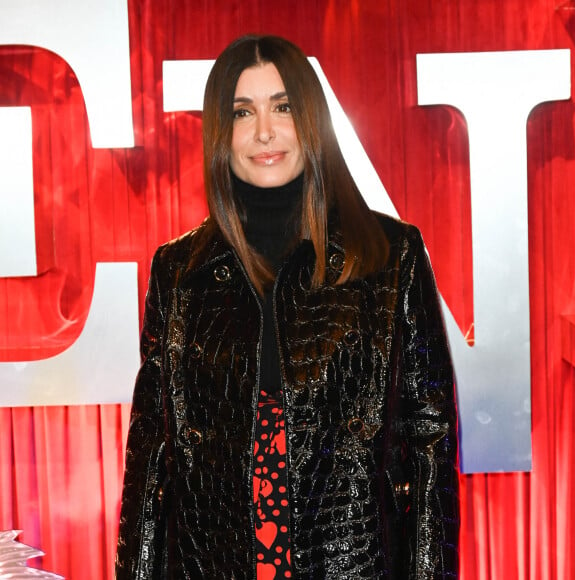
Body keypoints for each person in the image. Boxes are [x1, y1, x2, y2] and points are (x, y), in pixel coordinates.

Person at [115, 34, 459, 579]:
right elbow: (151, 454)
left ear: (311, 119)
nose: (264, 132)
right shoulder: (179, 271)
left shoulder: (390, 256)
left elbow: (430, 444)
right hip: (212, 562)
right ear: (219, 133)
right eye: (241, 112)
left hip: (354, 561)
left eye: (282, 107)